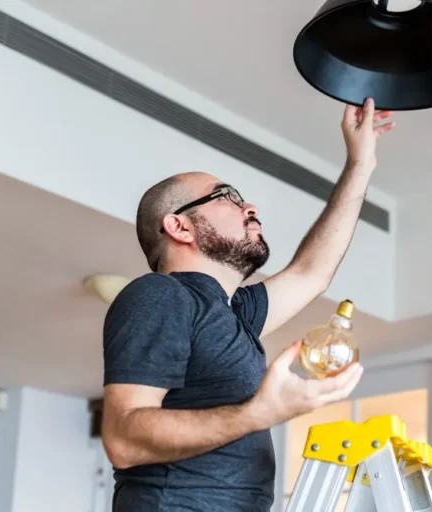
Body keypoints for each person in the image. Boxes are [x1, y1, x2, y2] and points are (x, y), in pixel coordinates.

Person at [100, 98, 395, 512]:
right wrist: (258, 413)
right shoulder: (161, 295)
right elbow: (123, 439)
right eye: (227, 197)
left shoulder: (233, 313)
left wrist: (360, 163)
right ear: (179, 226)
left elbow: (311, 272)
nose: (250, 207)